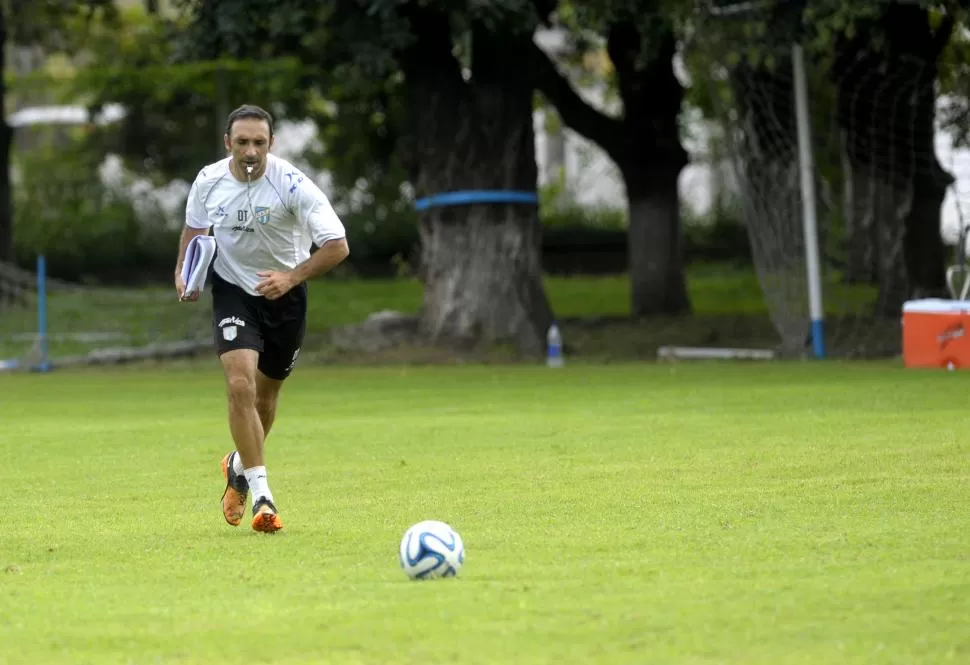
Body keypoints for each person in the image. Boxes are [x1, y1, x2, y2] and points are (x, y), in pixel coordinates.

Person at [175, 104, 350, 533]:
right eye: (242, 142)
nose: (250, 151)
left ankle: (237, 467)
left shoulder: (293, 185)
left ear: (271, 143)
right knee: (240, 384)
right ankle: (263, 497)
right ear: (227, 143)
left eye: (258, 142)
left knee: (265, 401)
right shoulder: (208, 181)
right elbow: (194, 231)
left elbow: (338, 245)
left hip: (285, 297)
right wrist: (183, 272)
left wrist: (291, 278)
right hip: (233, 292)